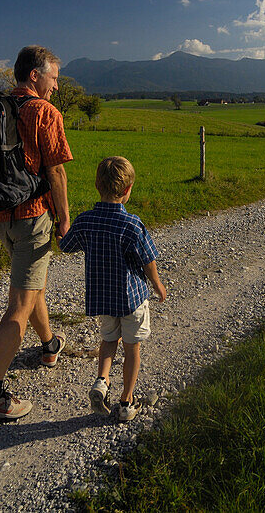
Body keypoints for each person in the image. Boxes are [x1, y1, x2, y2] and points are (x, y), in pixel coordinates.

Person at [0, 45, 73, 420]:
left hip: (3, 220)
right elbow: (56, 172)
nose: (56, 87)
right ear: (35, 75)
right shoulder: (43, 112)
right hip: (33, 217)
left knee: (32, 286)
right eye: (54, 78)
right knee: (19, 304)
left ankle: (49, 344)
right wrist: (64, 219)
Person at [59, 156, 166, 422]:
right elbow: (147, 260)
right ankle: (127, 402)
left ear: (97, 185)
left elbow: (67, 245)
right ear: (128, 190)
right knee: (132, 348)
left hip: (104, 298)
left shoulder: (86, 221)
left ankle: (101, 382)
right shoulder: (132, 224)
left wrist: (61, 231)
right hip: (132, 300)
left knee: (108, 340)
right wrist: (157, 283)